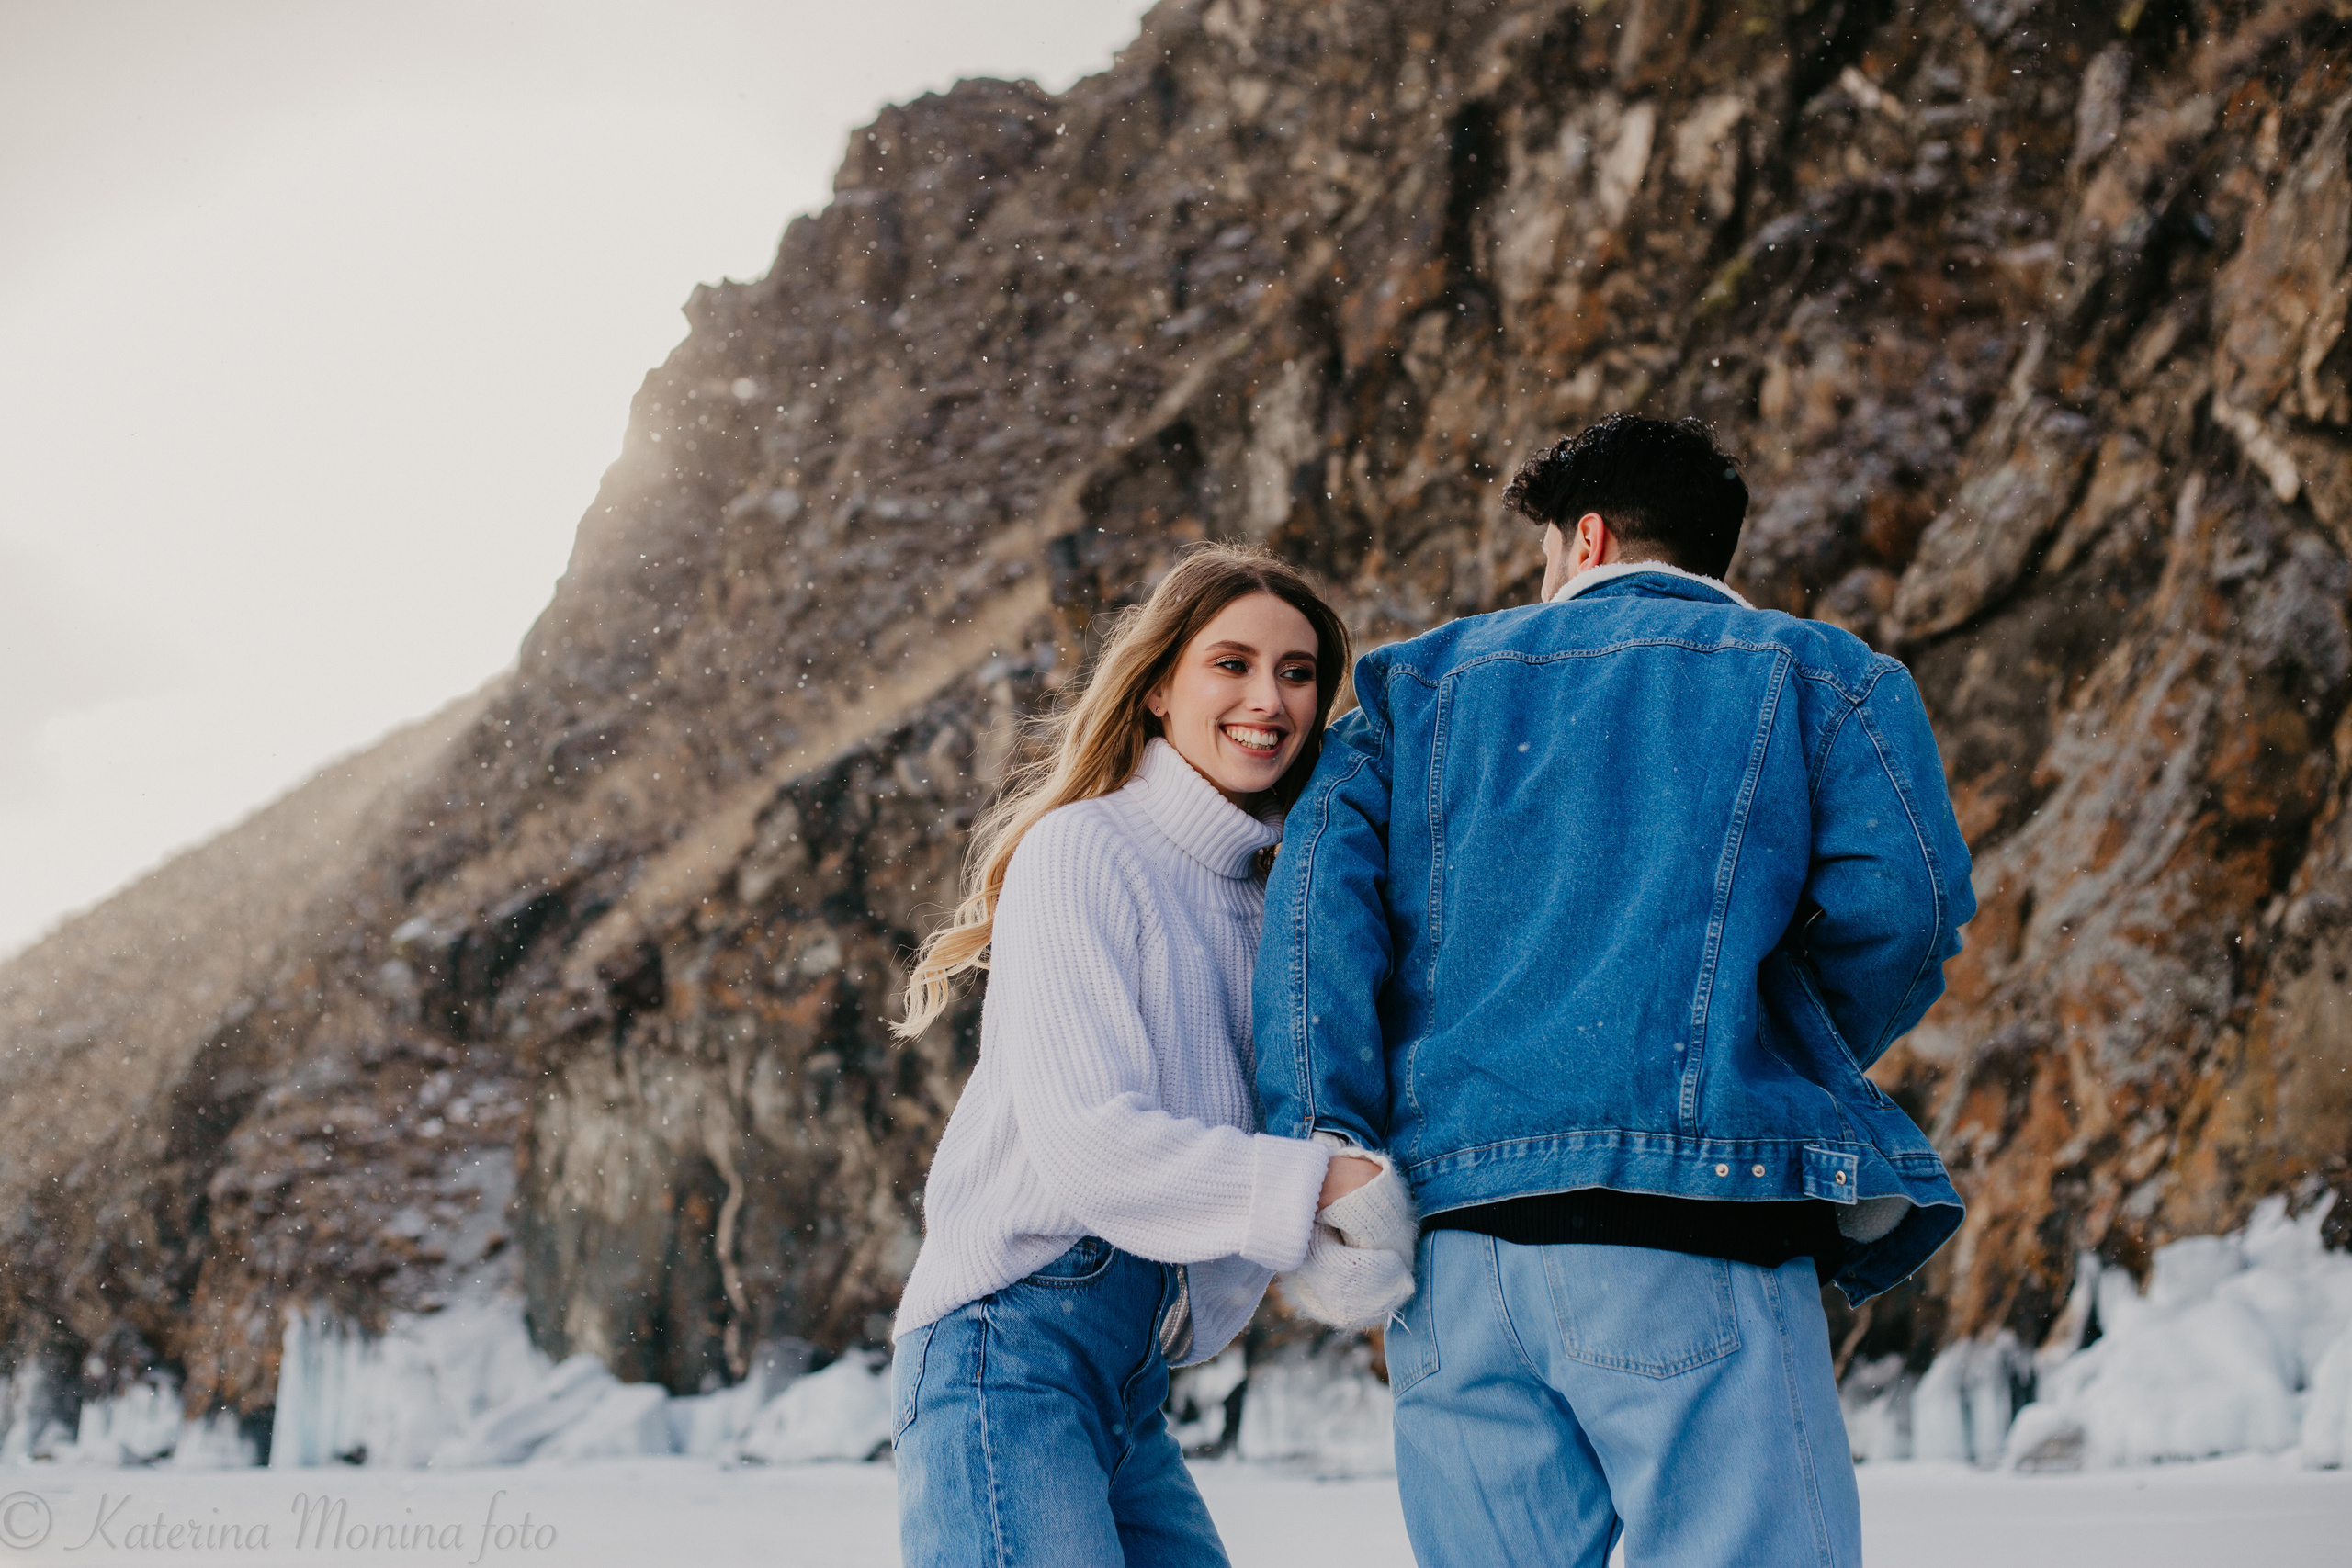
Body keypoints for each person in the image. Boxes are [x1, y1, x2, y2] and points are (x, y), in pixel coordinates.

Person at [1254, 415, 1976, 1568]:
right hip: (1690, 1232)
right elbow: (1912, 905)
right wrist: (1755, 1038)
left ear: (1583, 539)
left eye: (1542, 552)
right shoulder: (1818, 676)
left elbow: (1312, 933)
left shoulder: (1409, 692)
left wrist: (1326, 1140)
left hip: (1454, 1257)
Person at [888, 543, 1416, 1568]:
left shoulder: (1276, 900)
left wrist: (1339, 1239)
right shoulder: (1085, 850)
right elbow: (1093, 1145)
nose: (1269, 697)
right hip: (1010, 1344)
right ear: (1159, 688)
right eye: (1232, 663)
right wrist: (1318, 1186)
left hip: (1129, 1378)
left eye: (1298, 672)